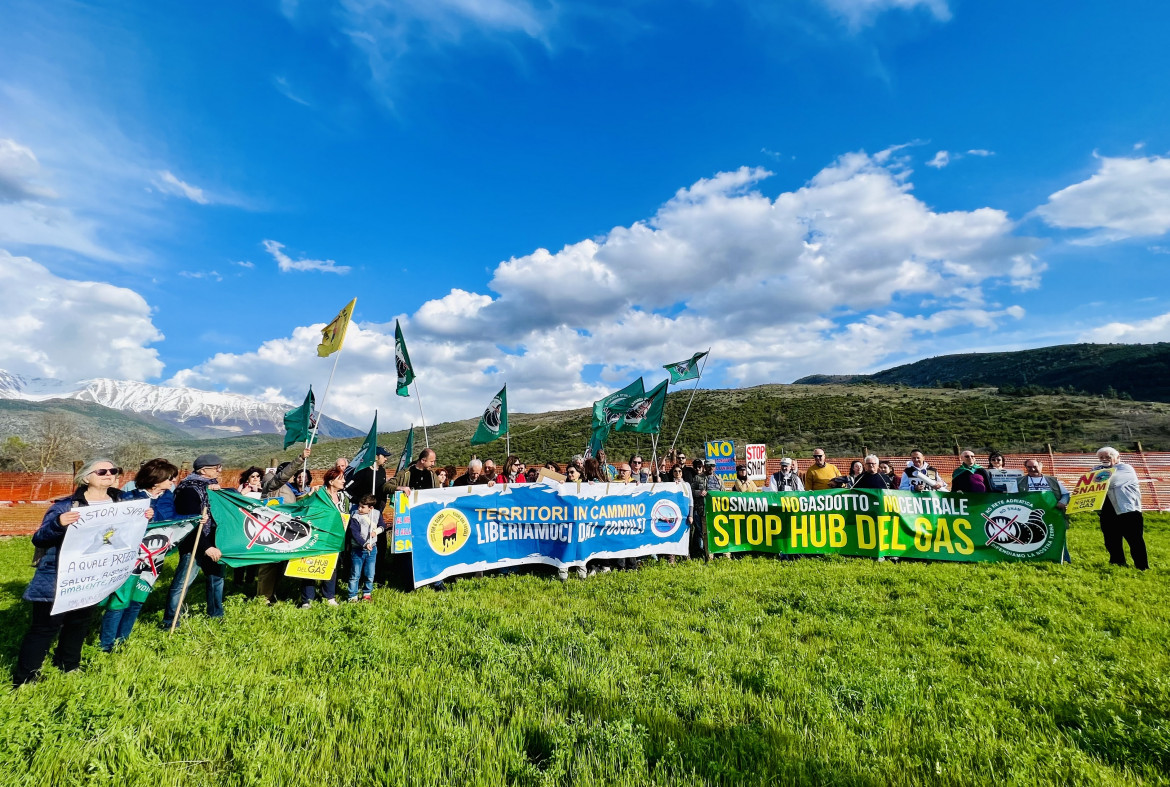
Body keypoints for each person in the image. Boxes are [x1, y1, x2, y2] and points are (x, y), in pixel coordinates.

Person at [14, 459, 151, 686]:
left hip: (94, 577)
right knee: (44, 628)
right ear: (86, 477)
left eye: (113, 471)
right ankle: (26, 677)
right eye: (102, 471)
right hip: (58, 577)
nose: (109, 474)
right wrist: (58, 523)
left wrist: (145, 517)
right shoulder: (65, 506)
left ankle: (68, 664)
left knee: (79, 622)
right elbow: (39, 538)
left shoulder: (124, 503)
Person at [99, 458, 179, 652]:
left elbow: (172, 519)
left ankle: (122, 640)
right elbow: (117, 527)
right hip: (131, 557)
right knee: (120, 599)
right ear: (155, 480)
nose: (172, 482)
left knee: (137, 599)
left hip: (154, 557)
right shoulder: (130, 498)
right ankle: (106, 645)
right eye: (169, 478)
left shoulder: (167, 496)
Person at [161, 454, 226, 629]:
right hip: (196, 543)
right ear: (204, 470)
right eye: (216, 467)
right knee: (182, 584)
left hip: (214, 542)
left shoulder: (210, 487)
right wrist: (206, 547)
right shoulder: (189, 490)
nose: (220, 470)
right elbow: (189, 523)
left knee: (216, 580)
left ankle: (216, 615)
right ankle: (171, 621)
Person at [301, 467, 349, 607]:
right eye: (341, 479)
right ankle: (307, 599)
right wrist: (308, 495)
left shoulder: (343, 497)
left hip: (335, 538)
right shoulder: (318, 494)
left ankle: (329, 596)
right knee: (310, 565)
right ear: (331, 481)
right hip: (317, 536)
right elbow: (305, 508)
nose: (344, 481)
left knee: (331, 566)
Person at [1094, 446, 1148, 569]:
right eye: (1101, 457)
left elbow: (1110, 480)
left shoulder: (1125, 468)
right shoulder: (1096, 469)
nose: (1104, 459)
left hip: (1127, 510)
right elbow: (1088, 484)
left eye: (1108, 457)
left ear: (1117, 457)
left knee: (1135, 540)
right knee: (1111, 539)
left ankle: (1142, 566)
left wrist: (1093, 479)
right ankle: (1118, 563)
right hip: (1107, 510)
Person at [347, 494, 383, 601]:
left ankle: (367, 593)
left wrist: (376, 531)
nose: (359, 509)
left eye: (363, 507)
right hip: (358, 549)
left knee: (370, 573)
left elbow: (382, 525)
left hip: (372, 549)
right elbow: (355, 533)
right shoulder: (355, 516)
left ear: (371, 508)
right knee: (355, 574)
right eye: (359, 506)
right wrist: (364, 544)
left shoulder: (376, 514)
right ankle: (352, 595)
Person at [345, 446, 391, 511]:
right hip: (360, 510)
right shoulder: (362, 471)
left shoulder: (382, 471)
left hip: (377, 510)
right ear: (376, 457)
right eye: (384, 456)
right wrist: (359, 501)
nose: (386, 459)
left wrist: (382, 503)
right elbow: (346, 489)